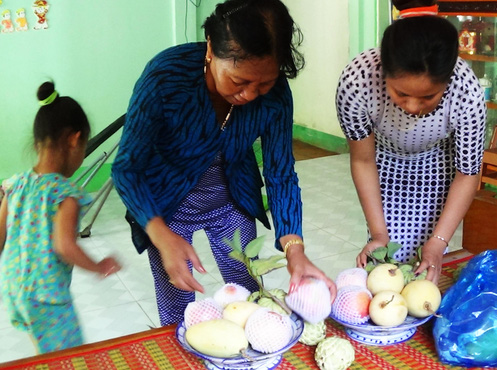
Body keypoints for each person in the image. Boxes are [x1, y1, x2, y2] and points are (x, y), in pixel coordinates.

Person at [112, 0, 336, 326]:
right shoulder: (166, 77)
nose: (251, 95)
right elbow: (127, 166)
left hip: (232, 199)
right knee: (178, 312)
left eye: (265, 83)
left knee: (247, 299)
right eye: (239, 81)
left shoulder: (276, 97)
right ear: (210, 51)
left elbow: (280, 173)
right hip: (167, 206)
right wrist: (160, 234)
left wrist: (295, 250)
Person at [335, 8, 486, 285]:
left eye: (428, 96)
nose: (413, 107)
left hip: (437, 159)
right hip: (383, 156)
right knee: (387, 258)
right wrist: (379, 234)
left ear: (447, 81)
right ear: (384, 73)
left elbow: (467, 173)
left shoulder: (467, 92)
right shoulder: (358, 80)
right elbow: (363, 161)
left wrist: (439, 242)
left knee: (425, 261)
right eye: (401, 93)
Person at [0, 82, 121, 354]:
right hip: (47, 299)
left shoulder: (14, 185)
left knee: (43, 347)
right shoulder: (66, 194)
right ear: (74, 140)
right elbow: (64, 246)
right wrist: (98, 266)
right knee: (68, 357)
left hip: (13, 291)